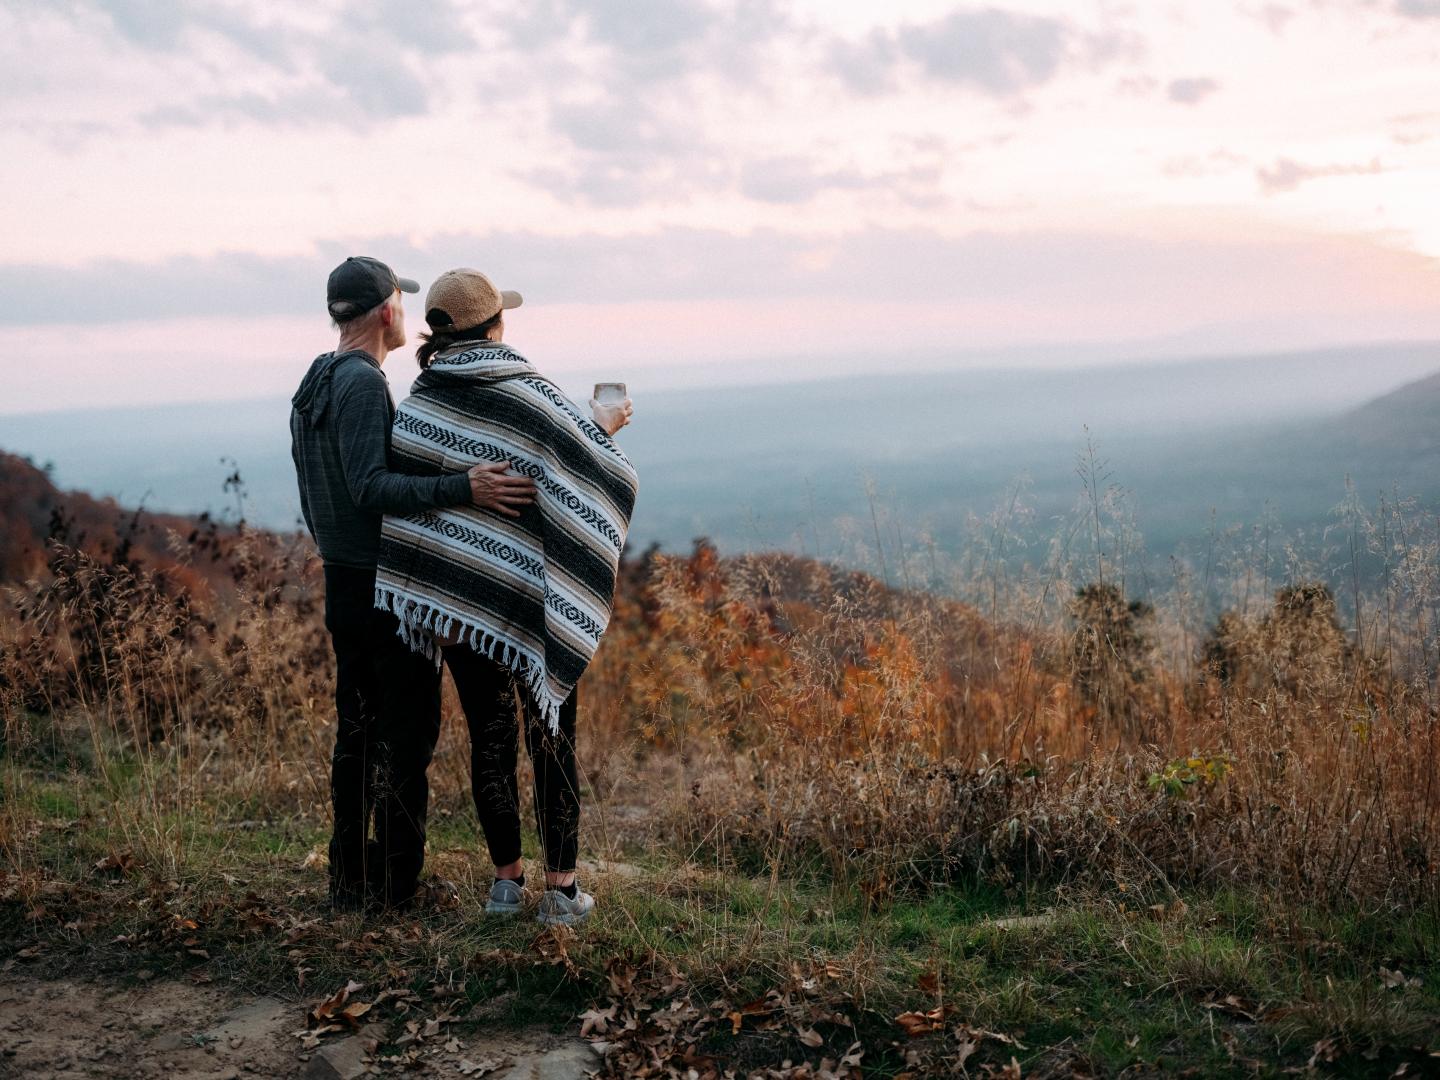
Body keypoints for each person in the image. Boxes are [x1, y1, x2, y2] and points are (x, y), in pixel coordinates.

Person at [373, 268, 637, 926]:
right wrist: (602, 424)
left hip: (462, 607)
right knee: (551, 738)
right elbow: (596, 468)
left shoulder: (419, 407)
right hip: (535, 605)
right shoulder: (530, 394)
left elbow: (413, 506)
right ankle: (562, 892)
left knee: (490, 741)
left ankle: (504, 886)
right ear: (497, 324)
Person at [290, 256, 538, 911]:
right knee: (405, 742)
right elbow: (369, 488)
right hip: (380, 594)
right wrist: (466, 486)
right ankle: (394, 892)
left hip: (342, 587)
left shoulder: (314, 380)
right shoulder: (363, 385)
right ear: (385, 312)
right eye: (396, 301)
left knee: (358, 738)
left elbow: (320, 496)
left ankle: (351, 882)